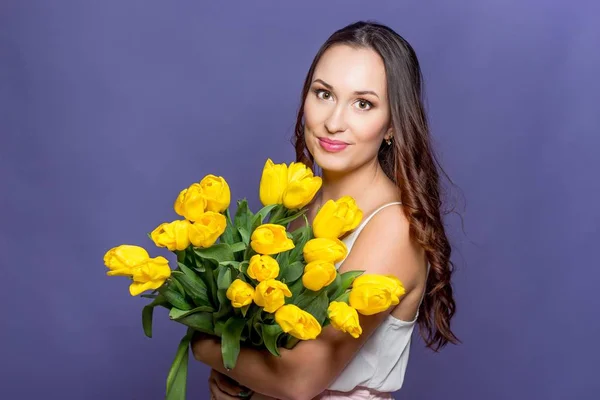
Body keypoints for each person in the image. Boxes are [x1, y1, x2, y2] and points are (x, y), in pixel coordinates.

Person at [192, 20, 459, 400]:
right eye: (323, 94)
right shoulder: (293, 210)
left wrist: (205, 346)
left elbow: (300, 380)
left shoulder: (393, 228)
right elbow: (265, 355)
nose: (333, 122)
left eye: (363, 104)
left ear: (392, 126)